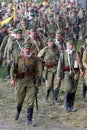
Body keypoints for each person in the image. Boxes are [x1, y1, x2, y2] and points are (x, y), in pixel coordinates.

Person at [10, 42, 41, 125]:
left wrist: (37, 82)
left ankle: (29, 120)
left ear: (30, 49)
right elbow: (12, 69)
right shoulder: (18, 58)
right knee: (19, 101)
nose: (27, 50)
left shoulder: (34, 59)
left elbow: (37, 71)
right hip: (20, 81)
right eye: (26, 49)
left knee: (31, 101)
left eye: (28, 48)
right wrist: (12, 79)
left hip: (31, 81)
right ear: (23, 49)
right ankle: (18, 111)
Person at [57, 37, 83, 112]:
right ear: (66, 45)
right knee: (68, 89)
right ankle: (65, 104)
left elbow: (80, 63)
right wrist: (58, 75)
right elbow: (60, 65)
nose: (71, 46)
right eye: (69, 44)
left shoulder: (77, 53)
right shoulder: (63, 53)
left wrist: (81, 71)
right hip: (66, 73)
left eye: (72, 44)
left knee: (74, 90)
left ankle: (71, 105)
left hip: (75, 73)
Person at [38, 38, 60, 104]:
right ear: (47, 43)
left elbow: (61, 56)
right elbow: (38, 56)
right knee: (49, 85)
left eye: (52, 41)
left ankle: (55, 99)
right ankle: (46, 97)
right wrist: (44, 62)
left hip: (56, 69)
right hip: (49, 70)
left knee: (56, 84)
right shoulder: (45, 50)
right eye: (50, 41)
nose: (52, 43)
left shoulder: (56, 49)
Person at [81, 33, 87, 97]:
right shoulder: (82, 48)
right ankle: (83, 92)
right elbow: (80, 57)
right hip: (84, 65)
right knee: (83, 80)